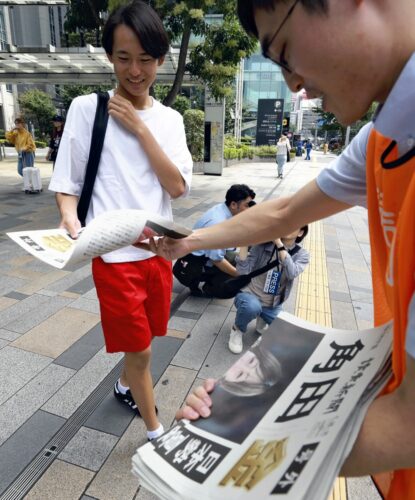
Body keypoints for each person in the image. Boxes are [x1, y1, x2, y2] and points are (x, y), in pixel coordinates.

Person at [141, 1, 415, 497]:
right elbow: (285, 213)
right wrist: (184, 245)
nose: (292, 84)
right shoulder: (389, 137)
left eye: (284, 52)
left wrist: (232, 430)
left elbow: (408, 425)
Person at [49, 0, 192, 443]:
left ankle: (125, 383)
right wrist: (70, 219)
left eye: (146, 60)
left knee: (147, 339)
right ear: (109, 56)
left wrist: (140, 129)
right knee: (144, 350)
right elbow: (68, 181)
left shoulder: (170, 120)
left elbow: (177, 188)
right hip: (113, 258)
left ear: (161, 60)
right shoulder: (85, 110)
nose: (134, 71)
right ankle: (155, 432)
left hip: (158, 254)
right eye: (124, 58)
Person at [229, 226, 309, 353]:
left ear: (301, 232)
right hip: (250, 294)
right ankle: (237, 329)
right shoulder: (262, 246)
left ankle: (262, 318)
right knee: (251, 307)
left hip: (272, 304)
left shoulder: (302, 254)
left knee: (286, 334)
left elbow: (291, 273)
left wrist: (279, 244)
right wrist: (243, 244)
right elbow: (242, 271)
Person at [174, 184, 255, 296]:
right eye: (247, 205)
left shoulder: (222, 208)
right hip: (193, 266)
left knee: (239, 258)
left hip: (198, 256)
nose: (249, 208)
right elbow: (217, 260)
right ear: (233, 204)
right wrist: (239, 274)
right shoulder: (219, 224)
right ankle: (210, 288)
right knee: (237, 272)